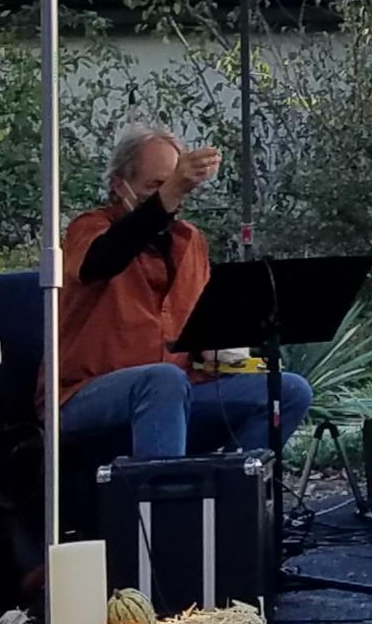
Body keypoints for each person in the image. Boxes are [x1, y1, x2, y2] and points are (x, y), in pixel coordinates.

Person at [53, 123, 313, 460]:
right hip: (85, 394)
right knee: (162, 380)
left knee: (289, 390)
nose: (170, 196)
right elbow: (101, 261)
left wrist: (218, 350)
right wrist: (168, 194)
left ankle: (229, 495)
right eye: (156, 186)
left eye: (176, 187)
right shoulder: (89, 228)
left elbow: (199, 326)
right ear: (120, 185)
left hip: (179, 387)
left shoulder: (190, 241)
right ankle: (166, 508)